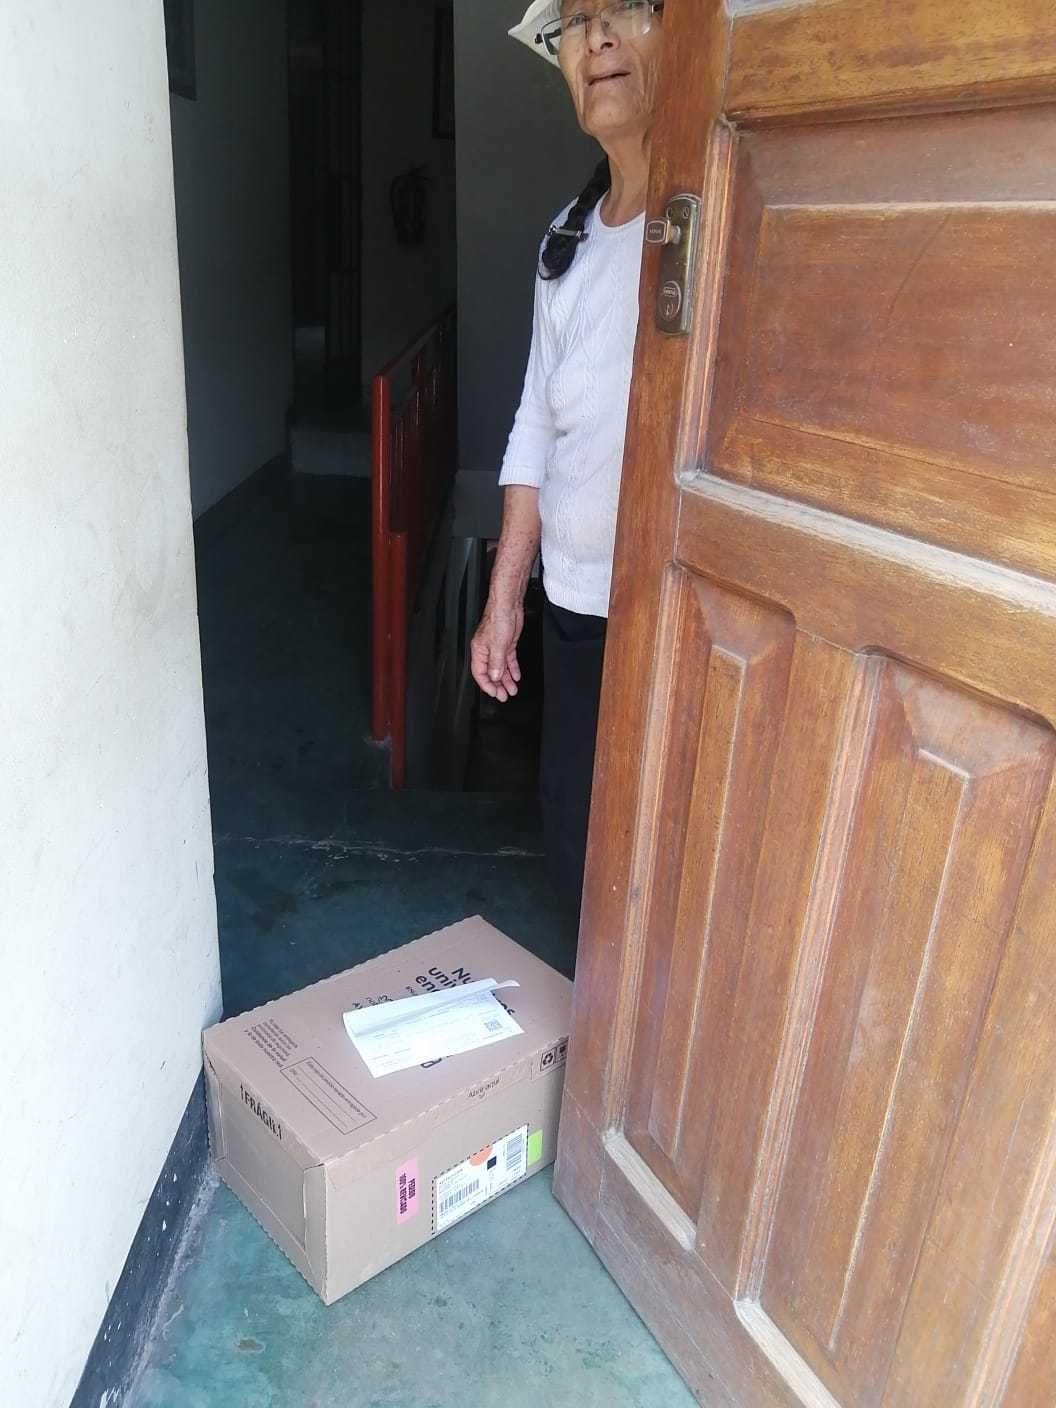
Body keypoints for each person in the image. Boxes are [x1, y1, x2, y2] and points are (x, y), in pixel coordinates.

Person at [470, 0, 666, 914]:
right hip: (578, 609)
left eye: (624, 7)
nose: (598, 38)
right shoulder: (570, 239)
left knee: (664, 876)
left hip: (678, 623)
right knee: (578, 855)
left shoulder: (710, 218)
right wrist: (507, 594)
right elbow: (535, 423)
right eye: (576, 21)